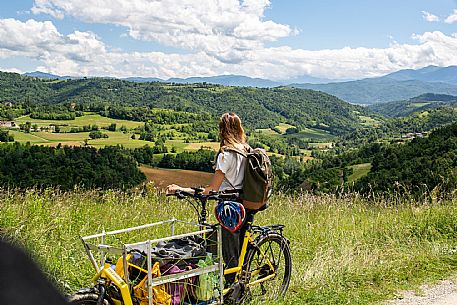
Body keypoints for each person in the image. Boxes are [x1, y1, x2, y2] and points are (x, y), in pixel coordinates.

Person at [166, 112, 253, 283]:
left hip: (230, 209)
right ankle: (239, 286)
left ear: (222, 130)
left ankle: (230, 290)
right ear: (239, 128)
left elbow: (212, 189)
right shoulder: (246, 150)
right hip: (245, 204)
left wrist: (182, 189)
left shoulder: (225, 155)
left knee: (228, 252)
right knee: (237, 247)